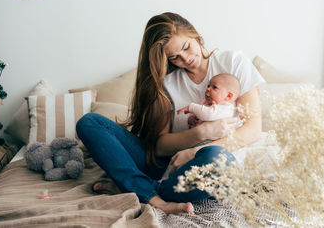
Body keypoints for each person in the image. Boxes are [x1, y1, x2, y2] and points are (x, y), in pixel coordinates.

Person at [76, 12, 265, 215]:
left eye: (186, 47)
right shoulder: (167, 83)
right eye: (174, 57)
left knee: (217, 161)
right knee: (89, 122)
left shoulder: (233, 63)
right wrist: (199, 134)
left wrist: (195, 151)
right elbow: (159, 147)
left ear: (193, 34)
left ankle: (138, 190)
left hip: (212, 162)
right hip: (169, 166)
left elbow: (253, 129)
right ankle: (152, 195)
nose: (186, 59)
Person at [177, 73, 241, 126]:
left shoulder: (226, 107)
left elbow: (209, 114)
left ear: (228, 96)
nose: (208, 89)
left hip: (219, 140)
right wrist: (192, 118)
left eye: (214, 87)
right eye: (208, 86)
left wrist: (191, 107)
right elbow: (200, 112)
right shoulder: (206, 102)